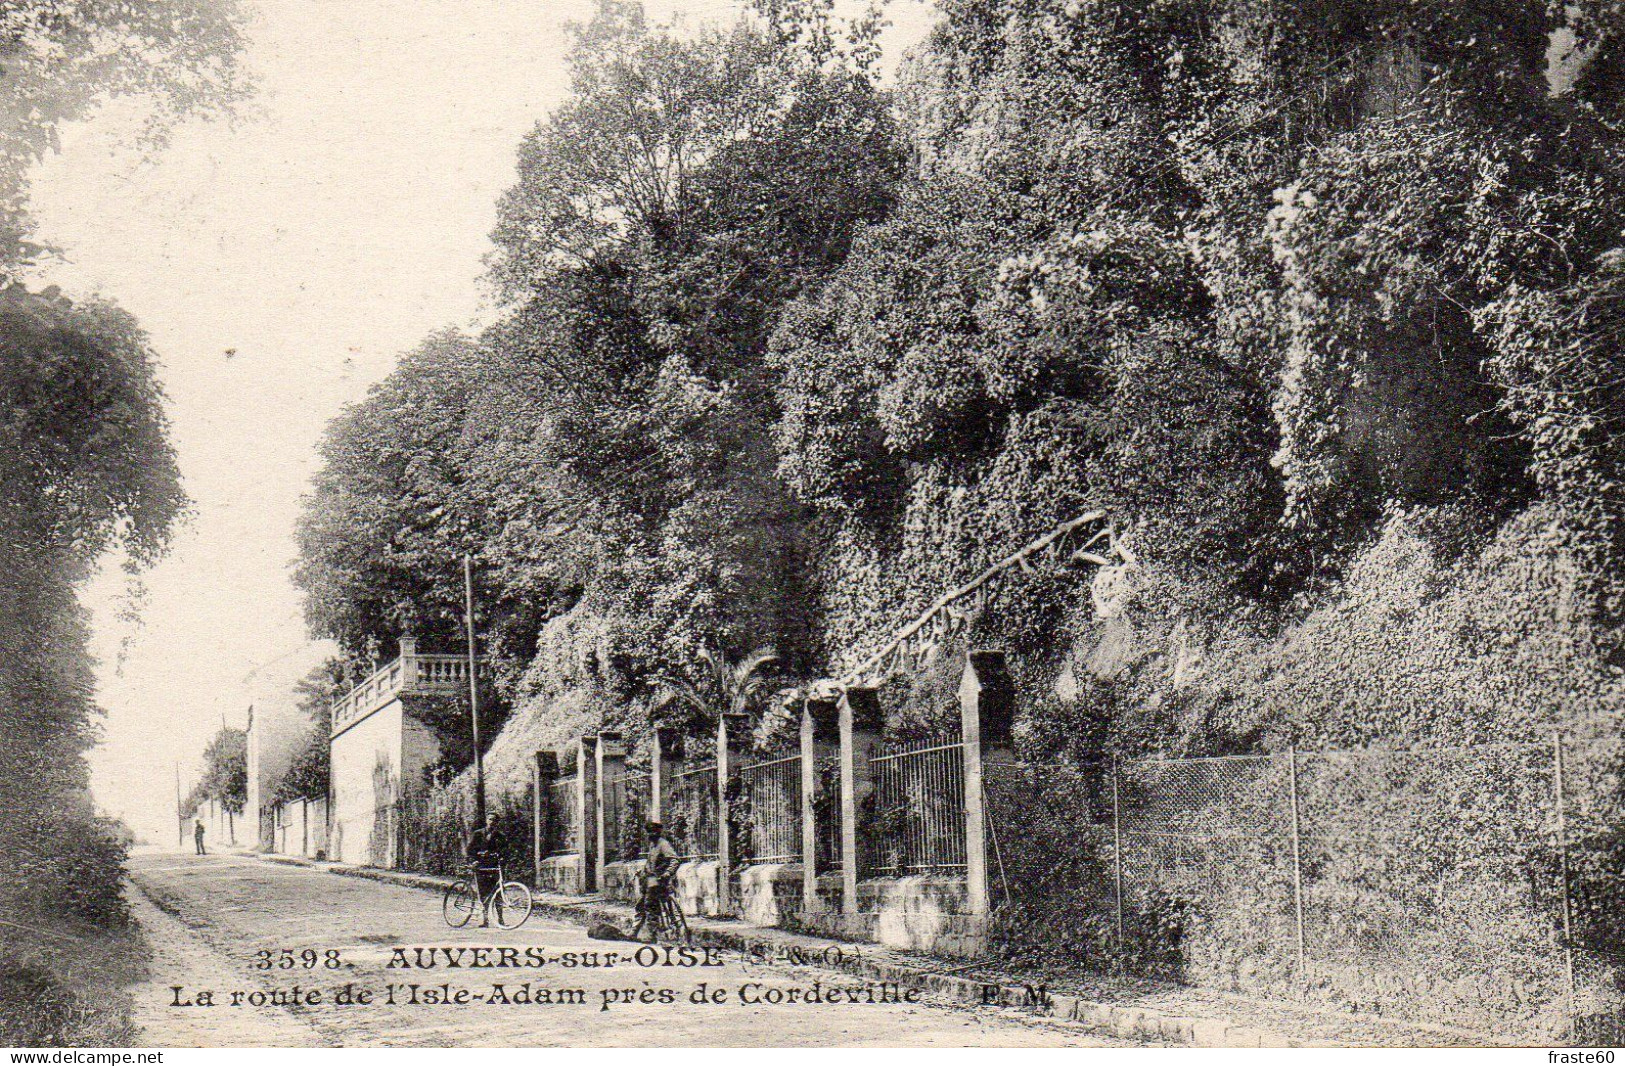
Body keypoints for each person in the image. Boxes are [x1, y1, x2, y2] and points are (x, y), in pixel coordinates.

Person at [632, 820, 679, 941]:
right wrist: (641, 872)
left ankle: (652, 934)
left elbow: (675, 860)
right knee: (640, 904)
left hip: (660, 880)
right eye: (649, 832)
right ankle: (634, 931)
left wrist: (667, 873)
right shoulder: (652, 845)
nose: (651, 835)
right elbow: (649, 864)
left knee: (649, 904)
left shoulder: (664, 844)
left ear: (658, 833)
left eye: (653, 832)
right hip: (649, 880)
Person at [466, 814, 507, 927]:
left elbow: (505, 850)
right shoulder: (478, 834)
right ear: (486, 820)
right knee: (483, 893)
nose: (492, 822)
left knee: (498, 893)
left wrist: (502, 858)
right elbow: (470, 849)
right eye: (490, 819)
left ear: (497, 823)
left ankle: (500, 919)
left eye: (495, 820)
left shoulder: (500, 836)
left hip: (494, 867)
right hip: (481, 866)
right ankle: (485, 920)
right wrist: (474, 860)